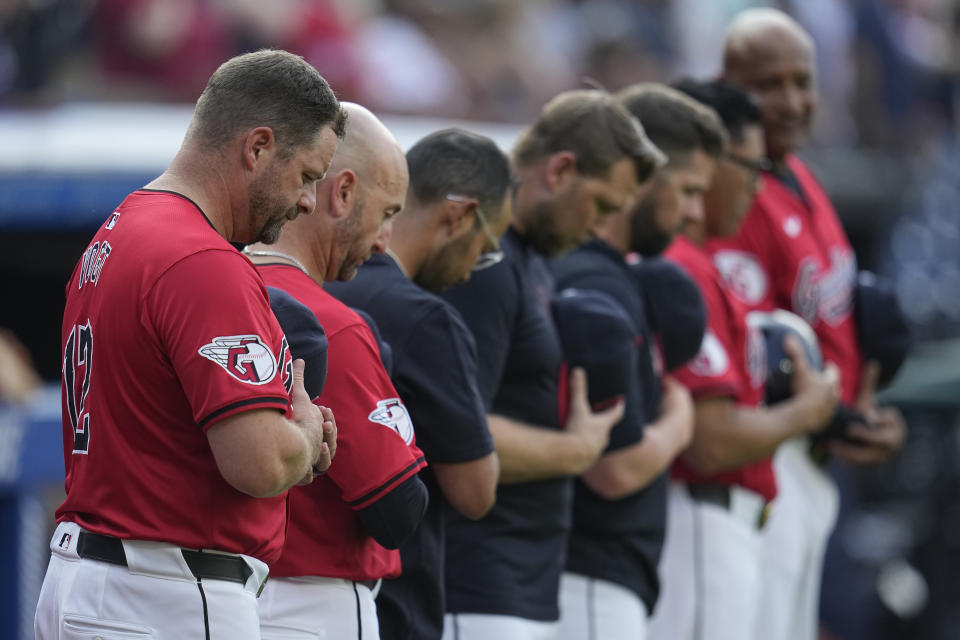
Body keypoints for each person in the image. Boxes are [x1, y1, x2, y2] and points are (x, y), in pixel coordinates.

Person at [36, 49, 344, 640]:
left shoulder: (120, 227)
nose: (308, 201)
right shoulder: (204, 260)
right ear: (257, 148)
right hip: (166, 594)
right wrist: (304, 431)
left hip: (94, 581)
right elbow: (259, 461)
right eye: (306, 174)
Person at [439, 89, 657, 640]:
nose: (602, 227)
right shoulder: (484, 260)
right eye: (603, 205)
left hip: (519, 589)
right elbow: (453, 432)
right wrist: (577, 450)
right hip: (479, 584)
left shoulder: (528, 260)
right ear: (560, 171)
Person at [716, 10, 907, 639]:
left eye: (804, 81)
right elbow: (754, 354)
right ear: (729, 84)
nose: (793, 100)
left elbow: (835, 325)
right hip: (766, 461)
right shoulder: (736, 196)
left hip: (817, 454)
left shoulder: (800, 175)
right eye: (770, 84)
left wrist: (863, 411)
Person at [645, 78, 840, 640]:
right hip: (701, 518)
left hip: (725, 522)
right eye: (749, 168)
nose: (757, 188)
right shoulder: (682, 265)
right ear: (704, 163)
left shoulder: (698, 263)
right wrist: (810, 410)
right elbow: (709, 443)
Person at [245, 102, 429, 640]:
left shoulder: (214, 286)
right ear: (342, 192)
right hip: (309, 606)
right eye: (388, 212)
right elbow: (399, 510)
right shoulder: (333, 325)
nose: (384, 241)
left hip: (221, 594)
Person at [326, 128, 514, 640]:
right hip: (391, 600)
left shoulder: (302, 286)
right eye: (486, 246)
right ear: (459, 215)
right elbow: (476, 490)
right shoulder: (427, 319)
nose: (478, 265)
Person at [550, 83, 712, 640]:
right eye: (687, 190)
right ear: (643, 178)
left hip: (578, 573)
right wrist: (679, 424)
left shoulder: (589, 272)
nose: (694, 212)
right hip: (589, 574)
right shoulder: (600, 283)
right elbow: (612, 468)